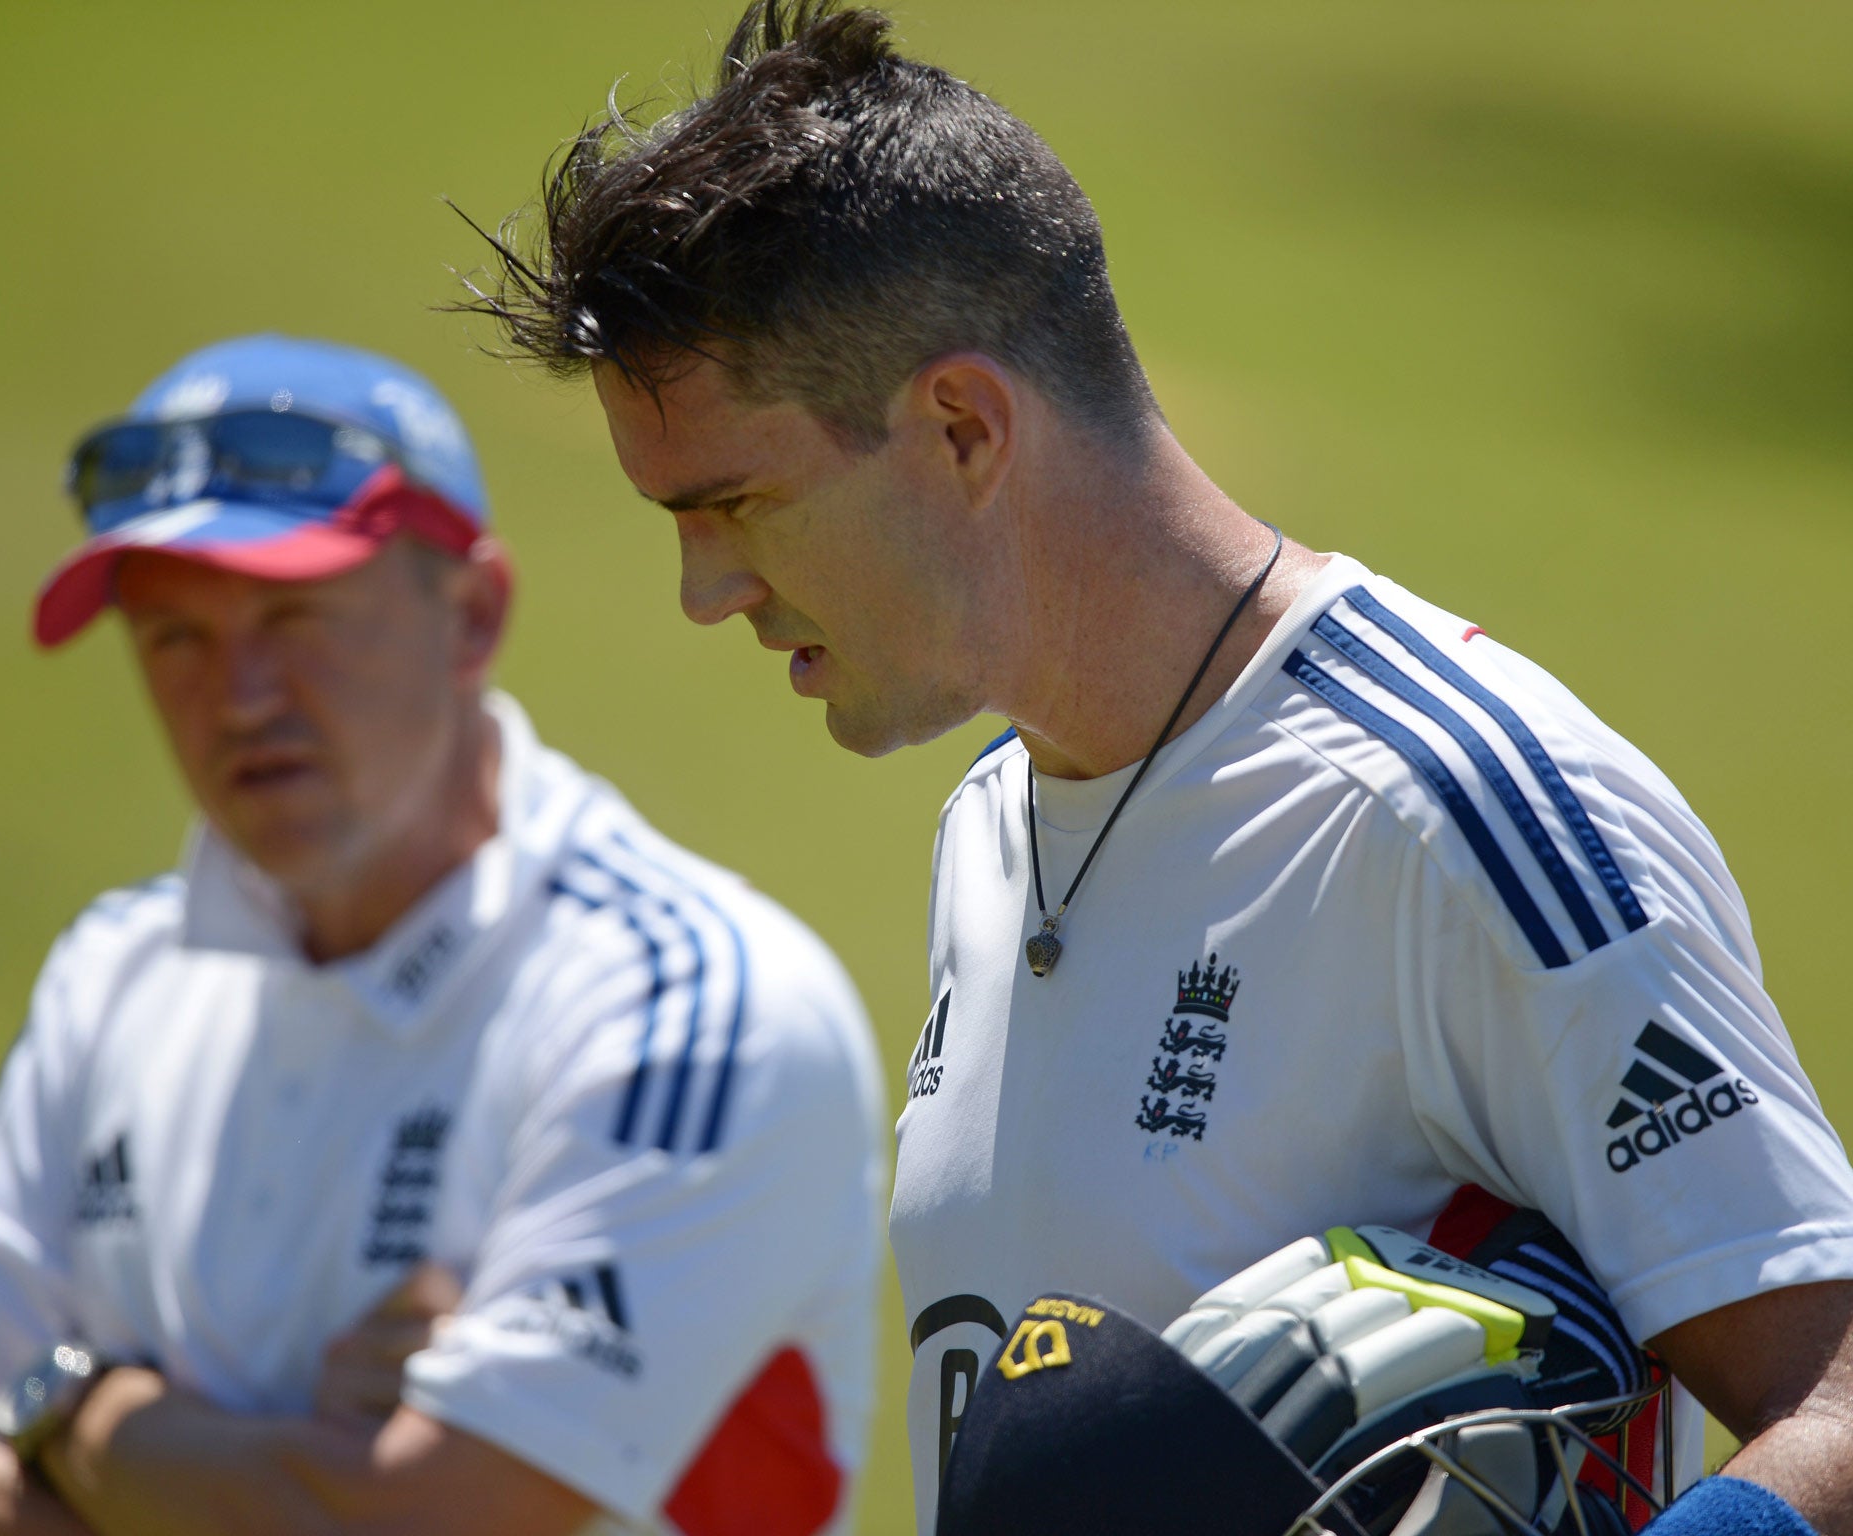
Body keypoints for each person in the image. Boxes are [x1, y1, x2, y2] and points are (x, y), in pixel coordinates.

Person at [462, 4, 1853, 1533]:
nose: (702, 591)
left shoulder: (1465, 814)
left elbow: (1835, 1392)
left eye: (736, 504)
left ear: (961, 427)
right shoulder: (993, 821)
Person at [0, 333, 885, 1536]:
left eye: (296, 617)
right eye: (174, 636)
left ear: (474, 615)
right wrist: (287, 1471)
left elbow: (426, 1518)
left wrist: (74, 1417)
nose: (238, 698)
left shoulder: (699, 1004)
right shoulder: (110, 976)